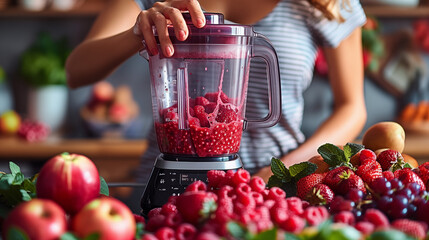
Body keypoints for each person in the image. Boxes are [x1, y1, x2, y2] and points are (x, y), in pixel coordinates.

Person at [66, 0, 367, 182]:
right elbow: (76, 70)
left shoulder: (327, 4)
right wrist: (139, 31)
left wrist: (283, 170)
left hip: (274, 183)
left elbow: (352, 108)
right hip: (172, 180)